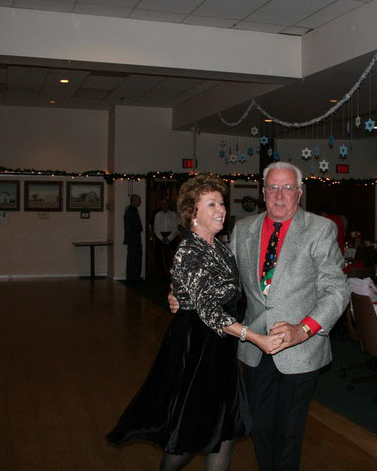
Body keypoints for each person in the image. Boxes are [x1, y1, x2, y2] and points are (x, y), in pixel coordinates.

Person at [170, 161, 347, 470]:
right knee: (259, 426)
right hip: (253, 347)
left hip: (300, 348)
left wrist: (303, 329)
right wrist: (183, 294)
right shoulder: (244, 228)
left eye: (287, 188)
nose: (279, 195)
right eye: (272, 187)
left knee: (288, 432)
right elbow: (223, 280)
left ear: (300, 192)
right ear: (263, 192)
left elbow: (336, 290)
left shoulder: (320, 229)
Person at [106, 175, 284, 470]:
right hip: (198, 345)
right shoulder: (190, 250)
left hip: (221, 343)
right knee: (193, 428)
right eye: (211, 204)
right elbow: (209, 311)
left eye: (222, 203)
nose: (221, 209)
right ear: (192, 212)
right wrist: (257, 338)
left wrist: (178, 293)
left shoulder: (219, 247)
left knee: (224, 425)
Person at [153, 199, 179, 279]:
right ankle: (161, 276)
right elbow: (156, 228)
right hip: (160, 237)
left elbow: (175, 228)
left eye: (165, 204)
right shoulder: (158, 215)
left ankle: (171, 275)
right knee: (160, 258)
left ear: (168, 205)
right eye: (162, 204)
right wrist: (161, 238)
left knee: (171, 258)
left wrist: (168, 238)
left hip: (171, 238)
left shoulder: (173, 214)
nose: (164, 206)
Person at [123, 194, 143, 283]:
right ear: (134, 200)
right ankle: (132, 278)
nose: (140, 202)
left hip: (134, 238)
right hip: (133, 239)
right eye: (139, 200)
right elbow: (130, 226)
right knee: (133, 258)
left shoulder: (132, 210)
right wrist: (134, 234)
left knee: (135, 258)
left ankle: (134, 277)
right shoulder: (131, 211)